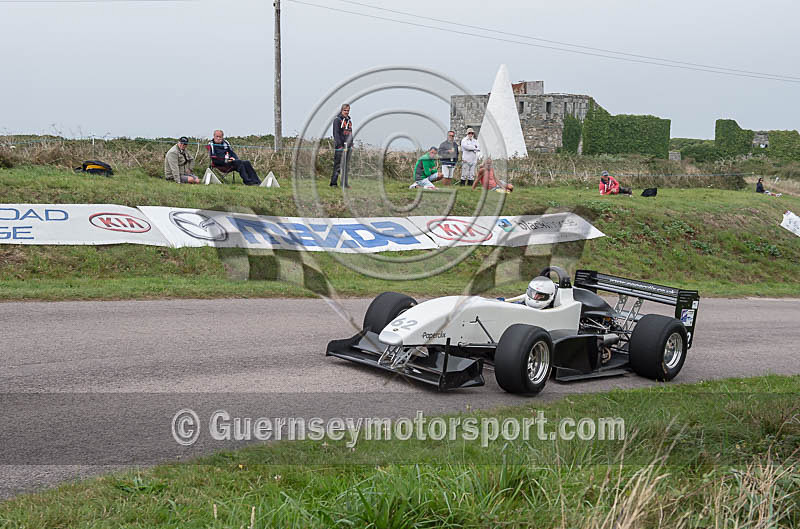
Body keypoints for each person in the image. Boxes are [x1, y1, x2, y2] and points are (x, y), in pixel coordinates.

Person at [330, 103, 353, 187]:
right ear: (341, 110)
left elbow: (350, 133)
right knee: (338, 165)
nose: (346, 112)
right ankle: (333, 183)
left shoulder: (349, 121)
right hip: (340, 147)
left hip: (348, 146)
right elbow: (335, 133)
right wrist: (340, 145)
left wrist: (351, 144)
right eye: (345, 110)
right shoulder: (337, 120)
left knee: (346, 166)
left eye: (348, 110)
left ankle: (344, 183)